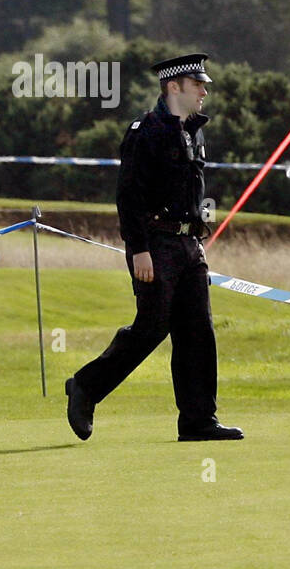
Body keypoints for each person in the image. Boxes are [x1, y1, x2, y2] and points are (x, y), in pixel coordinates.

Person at [65, 53, 243, 442]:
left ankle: (198, 421)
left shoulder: (194, 130)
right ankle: (86, 386)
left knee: (198, 331)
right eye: (198, 84)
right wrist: (139, 249)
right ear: (173, 86)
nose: (205, 91)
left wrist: (198, 236)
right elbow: (128, 196)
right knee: (152, 327)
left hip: (188, 244)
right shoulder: (146, 131)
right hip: (155, 243)